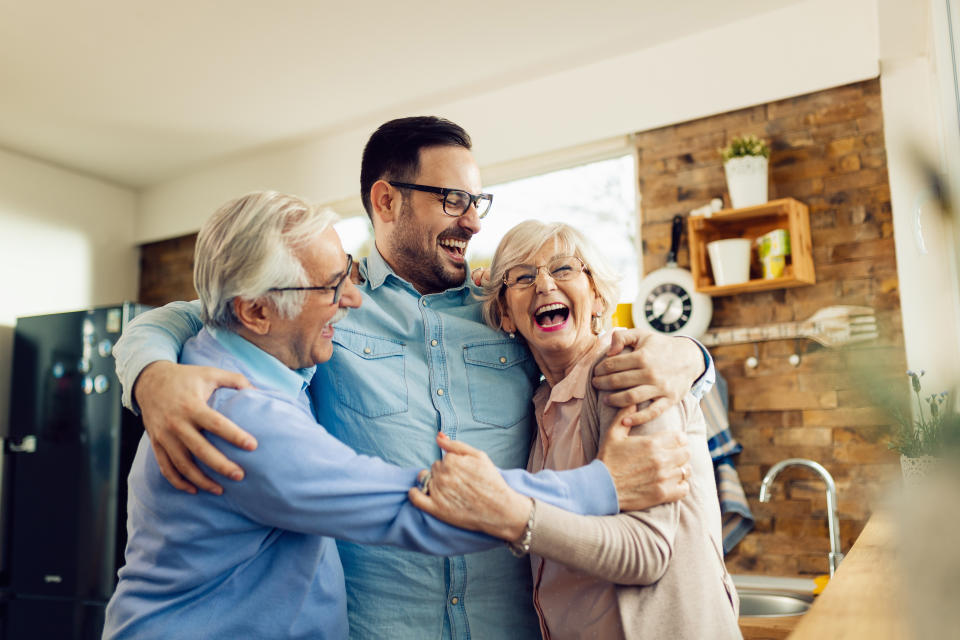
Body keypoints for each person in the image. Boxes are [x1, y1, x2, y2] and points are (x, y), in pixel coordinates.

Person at [111, 116, 715, 638]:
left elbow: (587, 341)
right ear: (386, 201)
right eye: (453, 200)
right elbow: (204, 312)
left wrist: (690, 353)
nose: (474, 223)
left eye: (478, 203)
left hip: (511, 626)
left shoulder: (503, 307)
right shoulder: (325, 310)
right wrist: (150, 373)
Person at [413, 221, 740, 639]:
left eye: (563, 269)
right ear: (505, 315)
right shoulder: (538, 405)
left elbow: (648, 552)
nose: (544, 285)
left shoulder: (628, 374)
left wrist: (516, 517)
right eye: (524, 277)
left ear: (598, 295)